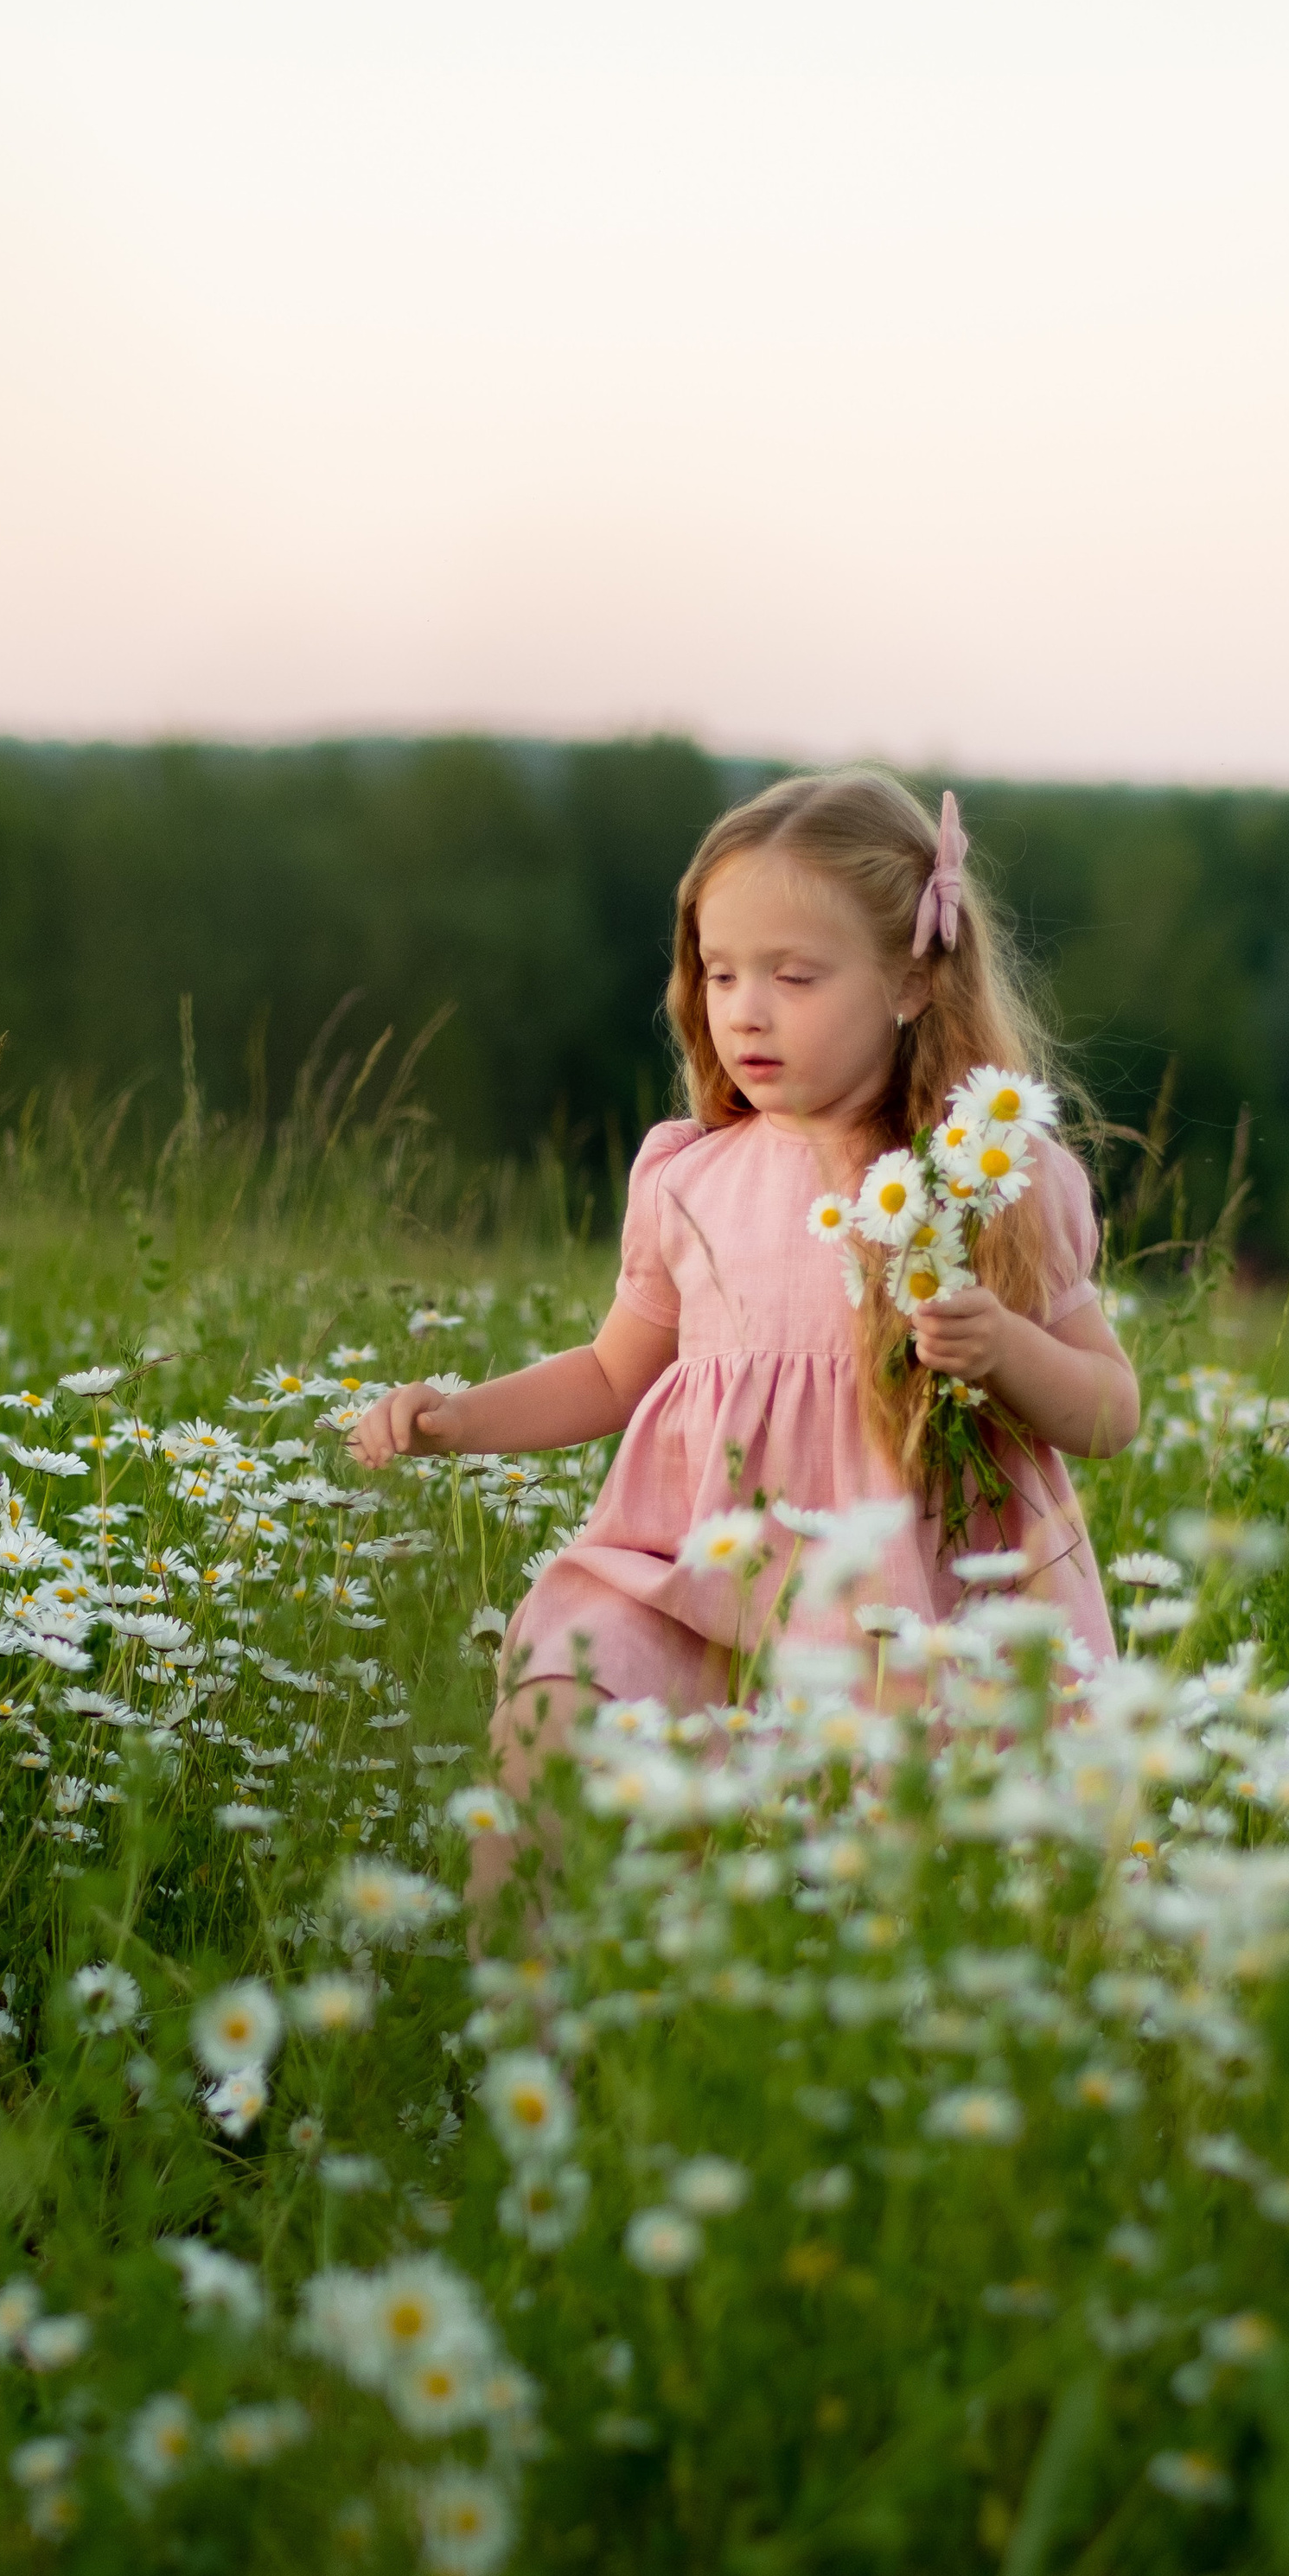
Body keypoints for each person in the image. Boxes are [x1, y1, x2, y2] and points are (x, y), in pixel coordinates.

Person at [348, 767, 1139, 1890]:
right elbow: (615, 1370)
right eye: (719, 973)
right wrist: (456, 1419)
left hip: (901, 1608)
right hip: (690, 1578)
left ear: (913, 980)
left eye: (795, 976)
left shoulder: (992, 1181)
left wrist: (1005, 1352)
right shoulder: (690, 1178)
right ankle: (524, 2020)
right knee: (558, 1710)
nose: (746, 1011)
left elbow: (1113, 1410)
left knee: (872, 1872)